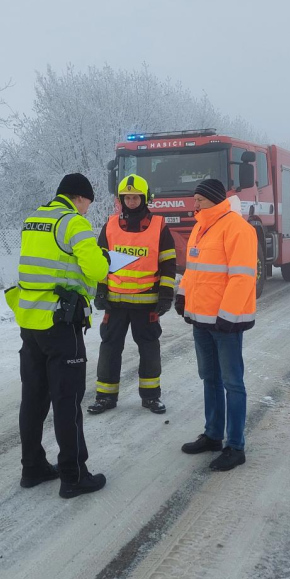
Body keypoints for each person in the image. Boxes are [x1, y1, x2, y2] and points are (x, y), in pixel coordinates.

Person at [4, 173, 110, 498]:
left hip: (30, 323)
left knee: (33, 398)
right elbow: (97, 271)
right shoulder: (72, 223)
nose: (87, 211)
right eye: (88, 204)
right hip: (61, 325)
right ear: (80, 198)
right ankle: (73, 475)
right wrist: (103, 257)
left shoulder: (35, 219)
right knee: (68, 400)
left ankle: (32, 467)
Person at [175, 178, 256, 472]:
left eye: (199, 200)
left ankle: (235, 446)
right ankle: (212, 435)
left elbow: (242, 277)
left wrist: (228, 315)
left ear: (214, 199)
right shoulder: (200, 226)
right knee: (209, 378)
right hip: (201, 319)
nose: (194, 205)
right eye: (194, 199)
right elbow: (193, 270)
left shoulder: (237, 228)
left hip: (225, 324)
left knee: (232, 382)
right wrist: (183, 295)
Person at [88, 174, 177, 415]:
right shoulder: (110, 225)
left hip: (147, 303)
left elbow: (169, 264)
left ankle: (151, 397)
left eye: (136, 196)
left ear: (145, 198)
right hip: (115, 304)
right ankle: (105, 397)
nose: (132, 201)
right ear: (120, 200)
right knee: (109, 348)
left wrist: (166, 295)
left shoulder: (159, 226)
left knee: (149, 349)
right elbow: (100, 263)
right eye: (127, 197)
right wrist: (101, 291)